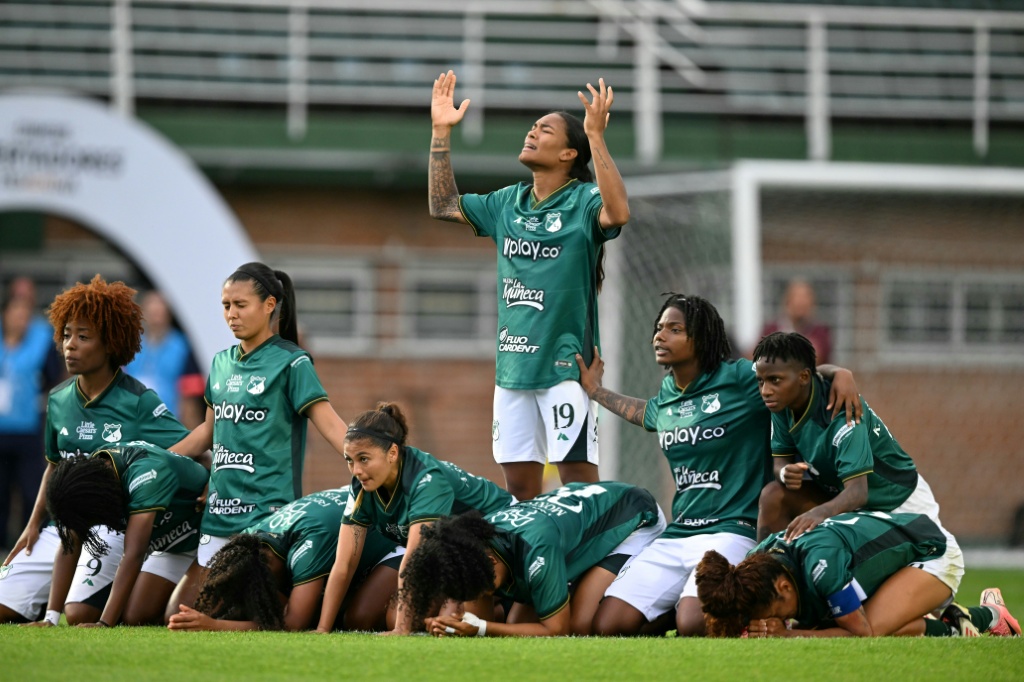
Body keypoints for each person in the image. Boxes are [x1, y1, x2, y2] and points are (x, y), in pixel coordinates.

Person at [575, 293, 862, 637]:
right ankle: (686, 605)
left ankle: (706, 610)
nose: (660, 336)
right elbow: (645, 413)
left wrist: (839, 373)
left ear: (701, 338)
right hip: (680, 532)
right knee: (609, 625)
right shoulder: (668, 394)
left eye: (674, 329)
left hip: (732, 529)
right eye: (659, 328)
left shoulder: (741, 378)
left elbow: (791, 374)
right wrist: (595, 391)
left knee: (694, 623)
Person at [428, 70, 630, 502]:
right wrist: (440, 133)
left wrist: (596, 136)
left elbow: (619, 212)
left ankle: (587, 568)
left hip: (564, 368)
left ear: (567, 154)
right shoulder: (507, 202)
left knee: (579, 490)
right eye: (532, 126)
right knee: (521, 491)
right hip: (512, 369)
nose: (532, 131)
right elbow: (442, 205)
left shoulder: (582, 201)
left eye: (545, 129)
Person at [0, 275, 192, 625]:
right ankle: (45, 608)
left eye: (83, 337)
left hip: (112, 528)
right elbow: (55, 466)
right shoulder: (58, 400)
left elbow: (183, 450)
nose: (70, 345)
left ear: (111, 344)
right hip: (63, 528)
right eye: (67, 334)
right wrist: (33, 523)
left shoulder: (139, 401)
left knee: (78, 615)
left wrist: (206, 476)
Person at [167, 262, 352, 607]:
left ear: (269, 305)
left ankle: (309, 599)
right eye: (226, 306)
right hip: (218, 515)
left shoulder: (292, 362)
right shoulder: (220, 362)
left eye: (240, 305)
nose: (231, 315)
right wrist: (157, 459)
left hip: (267, 517)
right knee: (176, 613)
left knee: (229, 613)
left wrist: (364, 462)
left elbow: (330, 424)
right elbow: (208, 431)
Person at [752, 332, 959, 567]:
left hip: (895, 504)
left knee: (892, 593)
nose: (765, 390)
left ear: (803, 377)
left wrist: (818, 514)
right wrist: (783, 473)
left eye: (774, 380)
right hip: (844, 500)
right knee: (773, 496)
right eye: (761, 381)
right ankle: (765, 580)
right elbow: (781, 461)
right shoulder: (783, 405)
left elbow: (859, 492)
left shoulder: (843, 413)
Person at [316, 402, 515, 635]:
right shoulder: (361, 486)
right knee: (359, 618)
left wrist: (401, 629)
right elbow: (345, 562)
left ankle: (501, 607)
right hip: (439, 550)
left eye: (364, 458)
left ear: (392, 453)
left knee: (443, 625)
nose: (356, 470)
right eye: (349, 460)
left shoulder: (427, 479)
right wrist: (322, 628)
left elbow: (413, 556)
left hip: (494, 537)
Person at [696, 510, 1019, 638]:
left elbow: (861, 634)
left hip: (931, 550)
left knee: (876, 628)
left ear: (784, 586)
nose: (772, 621)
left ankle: (988, 616)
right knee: (831, 623)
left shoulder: (822, 567)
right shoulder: (758, 563)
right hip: (889, 552)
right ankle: (955, 617)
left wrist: (790, 634)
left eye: (772, 613)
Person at [404, 481, 664, 638]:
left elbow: (556, 630)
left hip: (631, 517)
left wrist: (482, 628)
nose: (471, 596)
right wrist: (453, 625)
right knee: (518, 627)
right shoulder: (475, 549)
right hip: (576, 519)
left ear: (491, 564)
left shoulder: (535, 548)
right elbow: (473, 620)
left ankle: (667, 612)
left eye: (476, 590)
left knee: (582, 625)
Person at [167, 487, 403, 632]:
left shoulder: (308, 545)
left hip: (396, 539)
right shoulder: (249, 542)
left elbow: (295, 623)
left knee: (357, 619)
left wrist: (215, 626)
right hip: (347, 530)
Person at [35, 441, 207, 627]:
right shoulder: (91, 476)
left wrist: (104, 623)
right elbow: (70, 540)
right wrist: (50, 618)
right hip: (172, 547)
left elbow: (134, 553)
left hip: (206, 538)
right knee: (135, 616)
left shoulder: (146, 475)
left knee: (174, 615)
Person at [0, 288, 63, 550]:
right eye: (15, 312)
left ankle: (28, 544)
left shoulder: (40, 342)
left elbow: (52, 376)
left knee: (30, 490)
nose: (20, 318)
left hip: (28, 429)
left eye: (25, 313)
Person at [125, 290, 205, 428]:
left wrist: (189, 438)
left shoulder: (182, 346)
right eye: (151, 308)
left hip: (169, 424)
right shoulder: (130, 344)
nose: (156, 313)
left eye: (160, 308)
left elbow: (190, 399)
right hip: (134, 422)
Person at [760, 279, 832, 365]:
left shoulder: (821, 332)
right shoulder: (771, 329)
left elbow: (815, 357)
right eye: (797, 297)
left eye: (805, 298)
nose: (801, 302)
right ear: (787, 301)